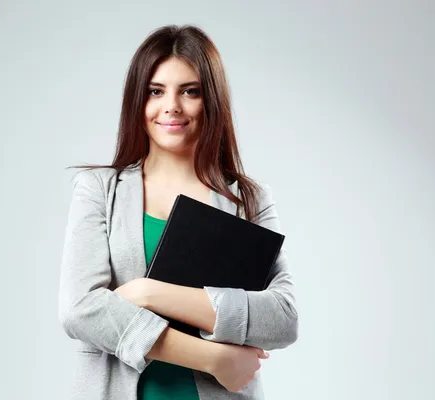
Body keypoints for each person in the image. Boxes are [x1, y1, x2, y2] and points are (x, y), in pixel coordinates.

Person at [58, 24, 299, 400]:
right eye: (156, 91)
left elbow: (283, 319)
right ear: (137, 100)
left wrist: (149, 293)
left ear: (212, 100)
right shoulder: (100, 190)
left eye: (190, 91)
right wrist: (213, 358)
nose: (171, 105)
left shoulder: (248, 199)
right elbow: (81, 309)